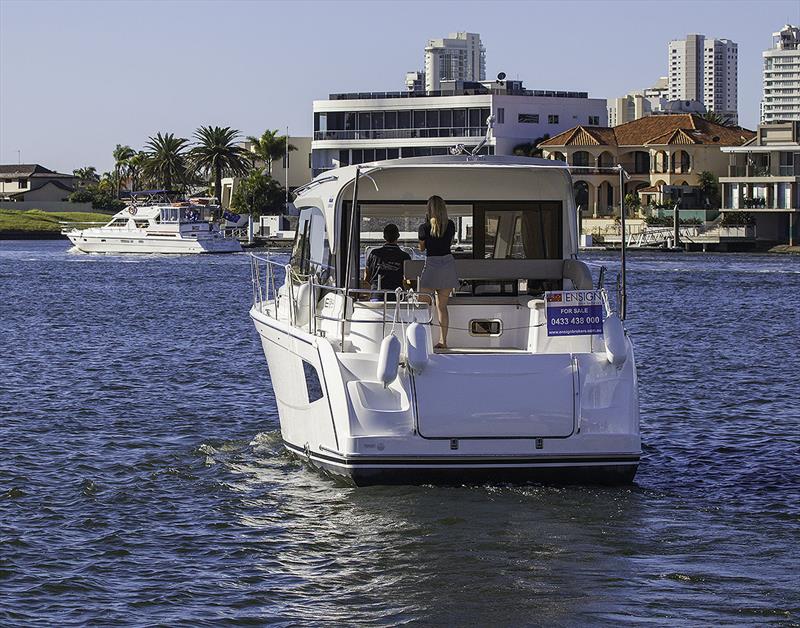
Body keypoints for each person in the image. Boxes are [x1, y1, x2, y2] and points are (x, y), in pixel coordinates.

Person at [418, 195, 458, 349]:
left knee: (422, 305)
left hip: (433, 264)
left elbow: (422, 248)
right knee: (442, 307)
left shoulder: (424, 228)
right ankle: (443, 341)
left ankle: (422, 341)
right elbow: (448, 243)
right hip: (448, 264)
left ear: (429, 209)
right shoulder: (451, 225)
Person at [364, 223, 411, 299]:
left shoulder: (374, 254)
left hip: (377, 295)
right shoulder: (405, 256)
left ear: (384, 237)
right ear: (398, 236)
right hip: (397, 296)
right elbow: (409, 281)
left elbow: (366, 278)